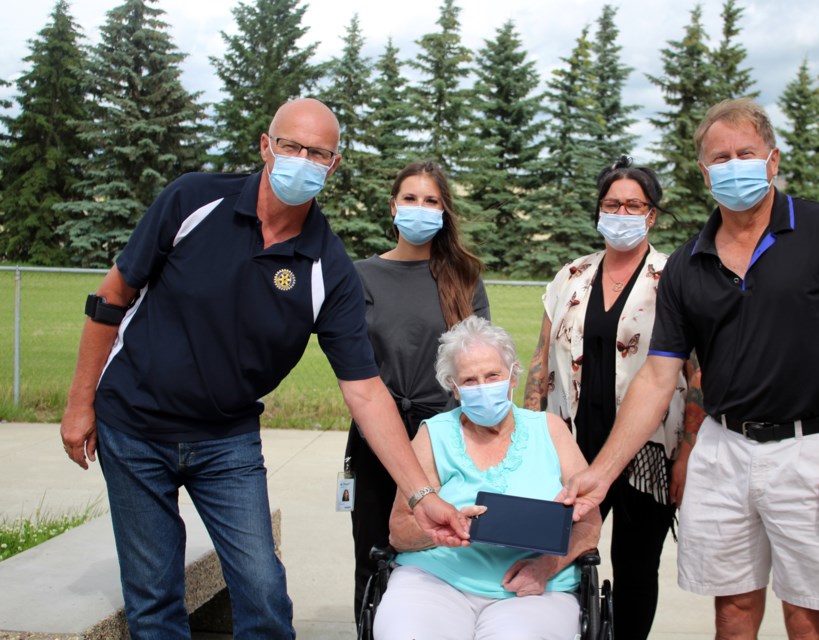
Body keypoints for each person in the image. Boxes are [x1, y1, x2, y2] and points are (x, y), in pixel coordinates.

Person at [59, 98, 469, 639]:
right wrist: (79, 402)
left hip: (226, 442)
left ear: (333, 165)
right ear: (265, 146)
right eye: (291, 146)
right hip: (133, 428)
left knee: (264, 594)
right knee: (153, 598)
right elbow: (111, 297)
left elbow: (366, 391)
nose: (302, 159)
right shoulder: (191, 200)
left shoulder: (330, 268)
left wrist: (421, 495)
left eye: (317, 152)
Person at [561, 98, 819, 640]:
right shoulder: (688, 263)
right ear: (704, 172)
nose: (733, 163)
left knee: (807, 614)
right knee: (733, 610)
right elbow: (657, 377)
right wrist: (599, 476)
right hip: (726, 448)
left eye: (746, 152)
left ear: (773, 160)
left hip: (811, 448)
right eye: (720, 156)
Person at [524, 155, 703, 639]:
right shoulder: (572, 275)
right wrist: (527, 435)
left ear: (651, 214)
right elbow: (541, 361)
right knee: (557, 558)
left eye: (633, 205)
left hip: (646, 456)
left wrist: (686, 452)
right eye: (611, 204)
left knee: (636, 570)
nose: (621, 213)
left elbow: (696, 375)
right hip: (571, 448)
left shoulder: (675, 277)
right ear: (598, 210)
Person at [373, 316, 602, 640]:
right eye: (469, 380)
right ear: (453, 387)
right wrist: (441, 532)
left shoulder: (550, 430)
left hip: (535, 588)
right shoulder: (433, 434)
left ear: (512, 376)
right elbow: (399, 531)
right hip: (437, 581)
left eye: (492, 375)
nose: (483, 387)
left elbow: (590, 522)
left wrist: (548, 566)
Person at [346, 160, 489, 622]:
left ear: (444, 211)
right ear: (393, 206)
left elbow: (479, 359)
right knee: (373, 550)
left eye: (431, 201)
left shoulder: (463, 276)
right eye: (410, 199)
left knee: (436, 549)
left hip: (445, 437)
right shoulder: (361, 276)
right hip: (378, 436)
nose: (420, 209)